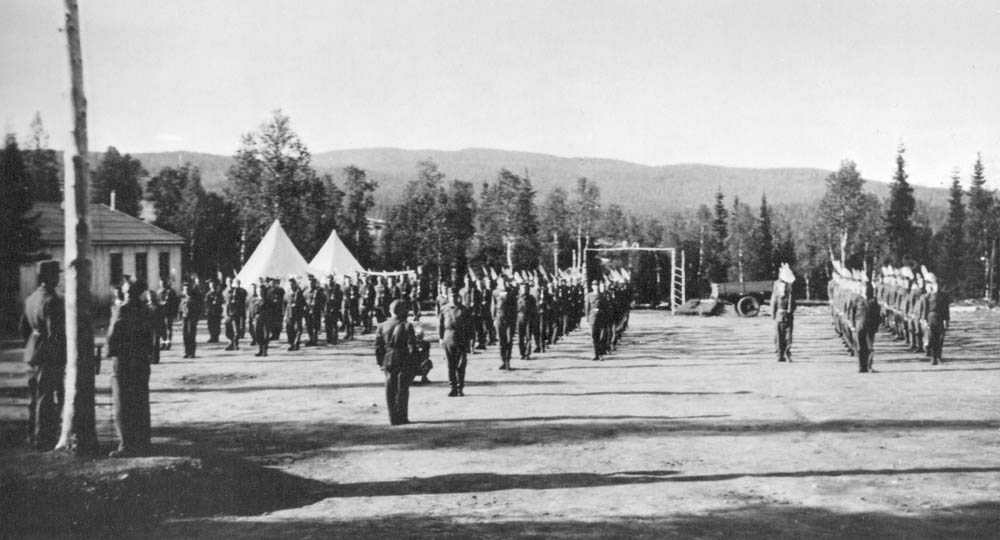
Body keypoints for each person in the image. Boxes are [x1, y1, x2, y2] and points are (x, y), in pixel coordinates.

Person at [106, 279, 156, 457]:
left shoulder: (122, 309)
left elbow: (113, 335)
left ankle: (126, 445)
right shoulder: (146, 310)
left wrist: (109, 352)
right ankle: (143, 442)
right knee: (141, 400)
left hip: (124, 361)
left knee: (122, 403)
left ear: (128, 293)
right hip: (141, 360)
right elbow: (150, 335)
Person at [19, 261, 66, 450]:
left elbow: (23, 328)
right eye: (56, 274)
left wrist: (31, 346)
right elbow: (55, 333)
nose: (58, 278)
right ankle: (43, 438)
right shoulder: (53, 300)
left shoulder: (31, 298)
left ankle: (32, 434)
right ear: (48, 277)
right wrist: (63, 356)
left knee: (34, 395)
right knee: (46, 396)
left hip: (33, 351)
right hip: (48, 353)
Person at [374, 300, 419, 425]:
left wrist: (380, 362)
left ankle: (392, 418)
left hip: (388, 359)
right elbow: (412, 346)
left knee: (390, 388)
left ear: (390, 311)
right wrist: (415, 362)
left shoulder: (382, 326)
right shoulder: (407, 325)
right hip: (403, 358)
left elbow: (378, 347)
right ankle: (402, 417)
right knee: (403, 388)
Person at [440, 288, 472, 396]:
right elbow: (440, 325)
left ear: (458, 297)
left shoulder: (464, 310)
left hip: (461, 338)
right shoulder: (444, 309)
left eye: (455, 296)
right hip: (448, 337)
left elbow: (470, 326)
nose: (453, 298)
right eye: (451, 296)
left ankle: (460, 388)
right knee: (450, 365)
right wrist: (441, 338)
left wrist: (470, 341)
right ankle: (452, 387)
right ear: (448, 297)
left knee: (461, 365)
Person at [771, 263, 796, 362]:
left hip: (781, 314)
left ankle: (781, 354)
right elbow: (791, 302)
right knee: (785, 335)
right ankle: (784, 353)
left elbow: (774, 301)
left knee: (781, 335)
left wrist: (773, 313)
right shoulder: (788, 286)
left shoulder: (779, 285)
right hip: (785, 314)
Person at [179, 281, 202, 359]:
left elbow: (198, 309)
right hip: (184, 319)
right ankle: (186, 352)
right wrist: (180, 317)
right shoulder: (183, 299)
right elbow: (180, 309)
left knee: (191, 335)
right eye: (185, 289)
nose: (186, 291)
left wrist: (196, 318)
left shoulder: (193, 299)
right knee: (185, 336)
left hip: (191, 319)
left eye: (187, 289)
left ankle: (192, 352)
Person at [157, 279, 179, 350]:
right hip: (161, 313)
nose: (161, 285)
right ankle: (163, 342)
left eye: (162, 283)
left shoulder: (171, 292)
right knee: (162, 328)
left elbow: (175, 302)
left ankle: (168, 342)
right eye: (161, 283)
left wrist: (175, 313)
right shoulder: (159, 292)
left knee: (168, 327)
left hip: (169, 313)